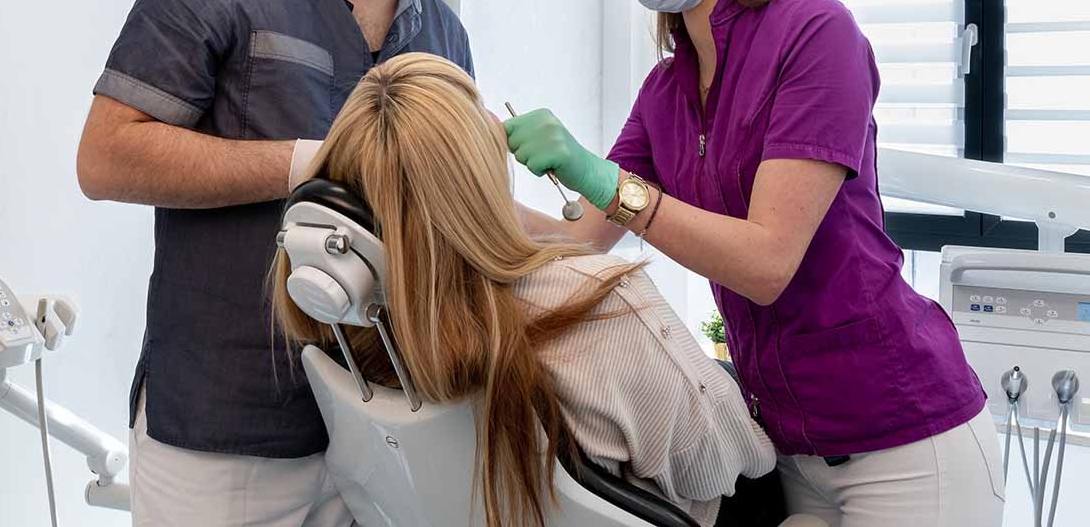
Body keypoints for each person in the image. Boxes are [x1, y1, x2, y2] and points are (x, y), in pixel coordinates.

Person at [505, 0, 1005, 527]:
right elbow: (582, 239)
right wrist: (465, 191)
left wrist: (599, 176)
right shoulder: (665, 92)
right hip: (792, 448)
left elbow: (767, 261)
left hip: (906, 439)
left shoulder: (816, 35)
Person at [75, 0, 500, 527]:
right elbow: (106, 158)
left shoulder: (443, 38)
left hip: (384, 427)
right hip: (224, 428)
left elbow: (453, 213)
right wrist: (312, 162)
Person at [270, 52, 778, 527]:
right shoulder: (601, 301)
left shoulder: (357, 323)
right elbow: (724, 467)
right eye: (481, 108)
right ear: (474, 170)